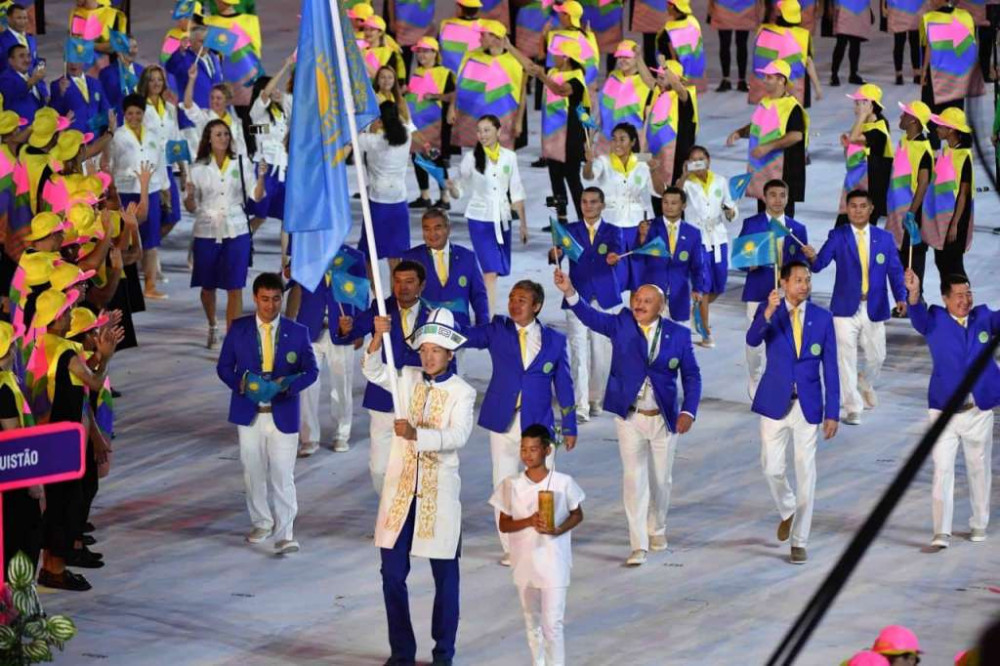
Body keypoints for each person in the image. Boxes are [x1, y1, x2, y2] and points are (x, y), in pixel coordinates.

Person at [553, 269, 701, 566]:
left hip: (664, 418)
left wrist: (689, 410)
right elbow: (589, 316)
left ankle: (656, 527)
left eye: (647, 301)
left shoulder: (679, 335)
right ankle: (638, 544)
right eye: (636, 299)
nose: (639, 304)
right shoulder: (620, 322)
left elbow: (692, 375)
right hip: (629, 417)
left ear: (661, 307)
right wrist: (569, 290)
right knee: (634, 480)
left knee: (661, 480)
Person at [363, 308, 474, 666]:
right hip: (399, 493)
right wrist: (378, 338)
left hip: (439, 496)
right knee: (392, 575)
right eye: (424, 348)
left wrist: (417, 434)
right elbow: (374, 371)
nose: (428, 356)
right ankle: (402, 653)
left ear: (450, 354)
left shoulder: (462, 392)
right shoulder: (407, 377)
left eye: (436, 350)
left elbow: (458, 435)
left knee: (446, 580)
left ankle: (444, 652)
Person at [461, 280, 578, 565]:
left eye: (522, 300)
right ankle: (511, 548)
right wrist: (436, 323)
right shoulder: (497, 330)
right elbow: (465, 336)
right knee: (504, 483)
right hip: (503, 420)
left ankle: (544, 540)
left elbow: (564, 385)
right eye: (512, 298)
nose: (514, 303)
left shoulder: (555, 340)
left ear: (536, 306)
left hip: (539, 425)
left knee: (544, 486)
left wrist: (570, 425)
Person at [215, 272, 318, 555]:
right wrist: (245, 385)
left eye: (276, 299)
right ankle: (261, 521)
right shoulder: (239, 329)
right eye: (264, 299)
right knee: (253, 471)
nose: (270, 306)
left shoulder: (298, 332)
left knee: (283, 475)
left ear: (282, 299)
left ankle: (285, 534)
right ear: (255, 298)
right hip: (249, 412)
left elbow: (311, 370)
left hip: (283, 411)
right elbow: (224, 367)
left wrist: (286, 386)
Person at [747, 261, 839, 564]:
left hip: (808, 405)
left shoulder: (822, 318)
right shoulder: (770, 310)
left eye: (807, 280)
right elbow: (752, 339)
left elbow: (831, 368)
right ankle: (788, 508)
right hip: (775, 402)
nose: (804, 285)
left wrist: (833, 412)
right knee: (771, 468)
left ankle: (800, 540)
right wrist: (768, 313)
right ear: (783, 283)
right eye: (797, 280)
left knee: (806, 471)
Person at [33, 287, 121, 591]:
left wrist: (96, 356)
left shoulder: (40, 345)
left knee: (54, 504)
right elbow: (94, 382)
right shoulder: (66, 352)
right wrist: (106, 358)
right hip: (64, 438)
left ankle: (51, 566)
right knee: (64, 505)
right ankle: (54, 570)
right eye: (67, 311)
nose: (71, 314)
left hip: (45, 435)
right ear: (56, 318)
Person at [905, 269, 997, 550]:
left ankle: (979, 523)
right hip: (943, 411)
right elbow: (916, 315)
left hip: (978, 410)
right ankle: (941, 531)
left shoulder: (984, 317)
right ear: (945, 298)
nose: (965, 299)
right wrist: (913, 292)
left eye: (968, 293)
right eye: (958, 295)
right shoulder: (934, 319)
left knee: (979, 469)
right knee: (942, 470)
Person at [803, 190, 907, 425]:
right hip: (844, 307)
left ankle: (866, 382)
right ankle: (852, 407)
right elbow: (819, 265)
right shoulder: (838, 236)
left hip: (874, 305)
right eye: (853, 206)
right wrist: (812, 256)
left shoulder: (885, 238)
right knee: (844, 358)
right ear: (846, 209)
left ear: (871, 209)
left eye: (862, 206)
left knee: (877, 356)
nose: (858, 210)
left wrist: (901, 296)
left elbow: (895, 271)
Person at [490, 424, 585, 666]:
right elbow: (504, 524)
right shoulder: (511, 485)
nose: (527, 454)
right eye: (523, 449)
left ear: (546, 450)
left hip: (554, 562)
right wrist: (529, 521)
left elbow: (577, 514)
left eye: (533, 449)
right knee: (532, 622)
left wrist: (558, 529)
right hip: (525, 563)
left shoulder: (563, 482)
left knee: (552, 624)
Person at [336, 260, 431, 494]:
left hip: (417, 397)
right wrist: (346, 327)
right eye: (397, 281)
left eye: (410, 282)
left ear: (422, 285)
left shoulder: (434, 314)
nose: (403, 287)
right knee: (379, 468)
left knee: (417, 465)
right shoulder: (381, 308)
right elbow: (349, 334)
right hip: (382, 397)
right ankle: (388, 511)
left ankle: (409, 518)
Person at [184, 118, 266, 346]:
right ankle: (212, 324)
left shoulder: (241, 162)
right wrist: (189, 196)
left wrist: (260, 178)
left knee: (235, 286)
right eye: (218, 134)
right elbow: (191, 207)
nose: (223, 138)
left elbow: (255, 196)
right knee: (207, 287)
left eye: (226, 134)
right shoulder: (197, 169)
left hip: (237, 230)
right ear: (208, 138)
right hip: (206, 232)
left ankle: (232, 341)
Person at [549, 187, 623, 422]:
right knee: (579, 353)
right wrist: (555, 253)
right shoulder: (569, 231)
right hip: (576, 297)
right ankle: (580, 406)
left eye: (593, 202)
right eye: (584, 201)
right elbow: (556, 255)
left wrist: (614, 257)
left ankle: (596, 398)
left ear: (602, 205)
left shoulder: (613, 231)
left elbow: (617, 253)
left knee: (601, 353)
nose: (588, 206)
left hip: (605, 299)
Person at [445, 115, 527, 315]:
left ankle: (483, 308)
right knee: (490, 272)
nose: (482, 135)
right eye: (479, 131)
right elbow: (460, 190)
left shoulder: (510, 157)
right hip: (479, 219)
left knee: (496, 272)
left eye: (487, 130)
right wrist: (451, 188)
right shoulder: (471, 159)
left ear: (498, 131)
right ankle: (488, 317)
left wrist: (523, 224)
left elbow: (516, 191)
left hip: (503, 219)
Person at [290, 247, 367, 457]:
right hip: (309, 328)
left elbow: (362, 293)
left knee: (341, 385)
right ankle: (308, 438)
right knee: (306, 386)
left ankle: (342, 433)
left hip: (342, 329)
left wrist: (359, 328)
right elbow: (289, 284)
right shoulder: (306, 252)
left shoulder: (354, 258)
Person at [738, 179, 809, 398]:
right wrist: (749, 264)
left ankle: (787, 381)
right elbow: (740, 259)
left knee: (788, 340)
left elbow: (802, 265)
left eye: (782, 195)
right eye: (773, 195)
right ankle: (755, 375)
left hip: (787, 294)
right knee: (755, 339)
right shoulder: (752, 224)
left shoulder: (797, 229)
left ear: (788, 198)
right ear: (764, 198)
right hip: (758, 290)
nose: (778, 200)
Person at [727, 60, 807, 217]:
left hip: (782, 173)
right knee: (763, 216)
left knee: (781, 219)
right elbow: (757, 125)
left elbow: (796, 135)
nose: (764, 80)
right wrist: (739, 132)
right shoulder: (765, 102)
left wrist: (767, 147)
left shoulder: (792, 107)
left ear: (781, 80)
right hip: (763, 172)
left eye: (769, 77)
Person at [676, 146, 738, 347]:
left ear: (708, 160)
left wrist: (730, 213)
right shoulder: (687, 184)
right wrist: (684, 175)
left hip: (718, 238)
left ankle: (698, 310)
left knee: (719, 285)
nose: (698, 163)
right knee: (702, 285)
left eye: (701, 159)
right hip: (697, 239)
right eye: (694, 160)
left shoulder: (720, 180)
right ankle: (705, 332)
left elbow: (730, 206)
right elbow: (675, 197)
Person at [108, 94, 168, 301]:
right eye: (130, 113)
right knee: (125, 239)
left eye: (138, 113)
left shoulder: (153, 135)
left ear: (144, 114)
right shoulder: (117, 136)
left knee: (150, 241)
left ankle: (150, 285)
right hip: (125, 192)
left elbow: (161, 163)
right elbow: (110, 164)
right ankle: (125, 286)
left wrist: (164, 188)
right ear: (124, 114)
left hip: (149, 190)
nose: (134, 117)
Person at [582, 123, 654, 291]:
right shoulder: (603, 161)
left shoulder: (643, 161)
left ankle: (635, 316)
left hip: (637, 228)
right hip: (611, 226)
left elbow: (657, 191)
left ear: (633, 142)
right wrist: (588, 162)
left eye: (622, 139)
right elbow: (588, 176)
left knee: (638, 279)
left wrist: (656, 170)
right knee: (610, 277)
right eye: (614, 139)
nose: (617, 143)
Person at [625, 186, 707, 324]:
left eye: (674, 203)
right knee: (650, 341)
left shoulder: (693, 233)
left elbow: (697, 265)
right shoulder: (649, 227)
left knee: (678, 341)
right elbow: (636, 258)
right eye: (665, 202)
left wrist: (698, 288)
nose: (669, 207)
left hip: (679, 295)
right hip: (651, 295)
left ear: (683, 205)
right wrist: (641, 238)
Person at [401, 208, 489, 331]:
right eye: (427, 229)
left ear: (448, 229)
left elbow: (478, 295)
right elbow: (401, 296)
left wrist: (483, 327)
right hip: (423, 331)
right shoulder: (410, 258)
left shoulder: (467, 257)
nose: (432, 234)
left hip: (458, 330)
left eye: (437, 228)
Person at [356, 100, 417, 268]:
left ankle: (375, 291)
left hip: (378, 200)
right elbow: (407, 121)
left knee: (369, 253)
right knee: (396, 255)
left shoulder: (374, 140)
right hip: (399, 198)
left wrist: (371, 126)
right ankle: (396, 294)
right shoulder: (406, 134)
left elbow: (354, 137)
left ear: (379, 120)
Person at [452, 21, 526, 150]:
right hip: (476, 120)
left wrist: (519, 121)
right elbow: (461, 85)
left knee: (500, 162)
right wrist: (452, 109)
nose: (479, 39)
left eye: (483, 35)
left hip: (505, 120)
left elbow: (522, 93)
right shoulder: (472, 56)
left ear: (495, 37)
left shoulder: (515, 61)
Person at [884, 100, 933, 294]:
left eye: (905, 114)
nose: (901, 116)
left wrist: (912, 212)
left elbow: (923, 183)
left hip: (912, 213)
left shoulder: (923, 150)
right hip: (896, 212)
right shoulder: (904, 142)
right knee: (898, 258)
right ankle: (903, 301)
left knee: (912, 259)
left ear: (913, 121)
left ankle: (915, 299)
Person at [405, 37, 456, 210]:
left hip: (435, 123)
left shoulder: (445, 73)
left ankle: (445, 197)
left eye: (425, 51)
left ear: (435, 53)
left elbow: (453, 95)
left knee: (437, 159)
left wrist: (435, 97)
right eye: (419, 51)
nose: (421, 55)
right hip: (416, 122)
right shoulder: (416, 72)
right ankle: (424, 195)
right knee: (417, 157)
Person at [923, 107, 974, 280]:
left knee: (953, 265)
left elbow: (963, 194)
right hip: (942, 219)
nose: (936, 128)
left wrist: (955, 225)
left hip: (956, 220)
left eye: (940, 125)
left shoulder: (964, 156)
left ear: (951, 129)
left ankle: (962, 301)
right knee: (941, 261)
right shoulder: (946, 152)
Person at [137, 65, 184, 246]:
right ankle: (149, 257)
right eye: (152, 79)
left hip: (168, 167)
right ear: (145, 83)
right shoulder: (140, 108)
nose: (156, 83)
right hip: (150, 168)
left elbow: (176, 138)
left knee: (173, 216)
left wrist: (184, 168)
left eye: (159, 79)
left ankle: (145, 250)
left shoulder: (170, 108)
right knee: (153, 217)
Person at [247, 54, 294, 230]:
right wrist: (284, 67)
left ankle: (284, 257)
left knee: (285, 218)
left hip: (281, 168)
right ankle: (241, 241)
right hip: (264, 169)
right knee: (259, 215)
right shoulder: (257, 112)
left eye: (276, 89)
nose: (276, 91)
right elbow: (256, 131)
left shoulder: (281, 113)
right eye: (272, 88)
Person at [836, 84, 893, 227]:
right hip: (853, 187)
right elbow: (849, 154)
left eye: (858, 103)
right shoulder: (864, 124)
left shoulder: (878, 129)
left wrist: (861, 115)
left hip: (867, 194)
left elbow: (854, 138)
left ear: (869, 104)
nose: (855, 107)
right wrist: (847, 145)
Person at [747, 0, 822, 108]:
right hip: (794, 90)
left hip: (766, 89)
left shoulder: (763, 31)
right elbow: (809, 63)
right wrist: (818, 88)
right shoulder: (803, 36)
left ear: (779, 13)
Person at [646, 59, 697, 212]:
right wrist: (638, 58)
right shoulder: (659, 95)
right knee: (656, 198)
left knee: (674, 205)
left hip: (677, 160)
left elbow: (679, 88)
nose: (658, 80)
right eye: (659, 76)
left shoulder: (684, 98)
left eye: (663, 77)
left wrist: (666, 67)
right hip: (659, 157)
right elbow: (647, 79)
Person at [920, 0, 980, 130]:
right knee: (955, 112)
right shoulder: (965, 16)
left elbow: (929, 47)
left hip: (936, 72)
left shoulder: (929, 18)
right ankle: (955, 144)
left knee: (932, 112)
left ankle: (934, 144)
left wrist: (924, 71)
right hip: (957, 73)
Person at [595, 39, 655, 155]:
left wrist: (642, 152)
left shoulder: (646, 83)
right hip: (607, 142)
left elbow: (649, 121)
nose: (622, 60)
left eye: (626, 57)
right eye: (619, 56)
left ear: (636, 57)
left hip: (632, 144)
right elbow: (600, 108)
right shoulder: (612, 76)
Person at [182, 78, 248, 158]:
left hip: (230, 166)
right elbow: (188, 105)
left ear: (226, 101)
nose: (214, 101)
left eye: (218, 98)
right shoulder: (204, 117)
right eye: (212, 97)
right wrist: (192, 79)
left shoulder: (236, 123)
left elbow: (242, 150)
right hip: (208, 164)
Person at [656, 0, 707, 91]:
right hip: (694, 76)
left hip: (674, 79)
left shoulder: (669, 29)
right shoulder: (693, 21)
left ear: (672, 6)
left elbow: (673, 57)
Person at [709, 0, 759, 92]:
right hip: (732, 7)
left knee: (740, 44)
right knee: (727, 44)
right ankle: (729, 79)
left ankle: (739, 80)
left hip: (740, 6)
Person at [49, 60, 111, 135]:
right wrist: (61, 93)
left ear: (84, 61)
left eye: (76, 60)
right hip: (73, 140)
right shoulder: (57, 85)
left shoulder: (95, 83)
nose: (73, 63)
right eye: (70, 60)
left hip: (96, 140)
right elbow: (53, 113)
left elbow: (106, 109)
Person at [828, 0, 872, 86]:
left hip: (859, 7)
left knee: (855, 42)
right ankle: (834, 74)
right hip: (844, 7)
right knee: (841, 42)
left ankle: (853, 73)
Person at [98, 35, 144, 117]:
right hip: (119, 124)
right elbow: (104, 104)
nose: (131, 51)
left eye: (135, 47)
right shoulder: (107, 74)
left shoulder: (142, 70)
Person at [0, 44, 48, 121]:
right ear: (11, 61)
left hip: (38, 127)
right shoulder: (4, 78)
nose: (27, 60)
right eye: (21, 56)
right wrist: (32, 80)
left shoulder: (32, 75)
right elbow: (15, 93)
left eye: (29, 56)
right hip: (19, 129)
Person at [437, 0, 483, 74]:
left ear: (459, 8)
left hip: (446, 77)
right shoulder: (485, 28)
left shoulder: (445, 25)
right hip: (472, 79)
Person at [886, 0, 923, 85]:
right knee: (901, 43)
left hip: (911, 10)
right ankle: (900, 73)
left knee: (913, 43)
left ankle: (915, 73)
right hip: (900, 10)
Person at [359, 15, 405, 83]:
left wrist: (364, 63)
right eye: (366, 29)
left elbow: (386, 81)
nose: (367, 32)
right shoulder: (361, 51)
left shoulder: (390, 54)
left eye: (372, 29)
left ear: (380, 32)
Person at [0, 5, 39, 73]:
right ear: (8, 19)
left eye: (25, 18)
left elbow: (34, 62)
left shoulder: (31, 39)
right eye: (19, 18)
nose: (23, 21)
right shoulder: (2, 40)